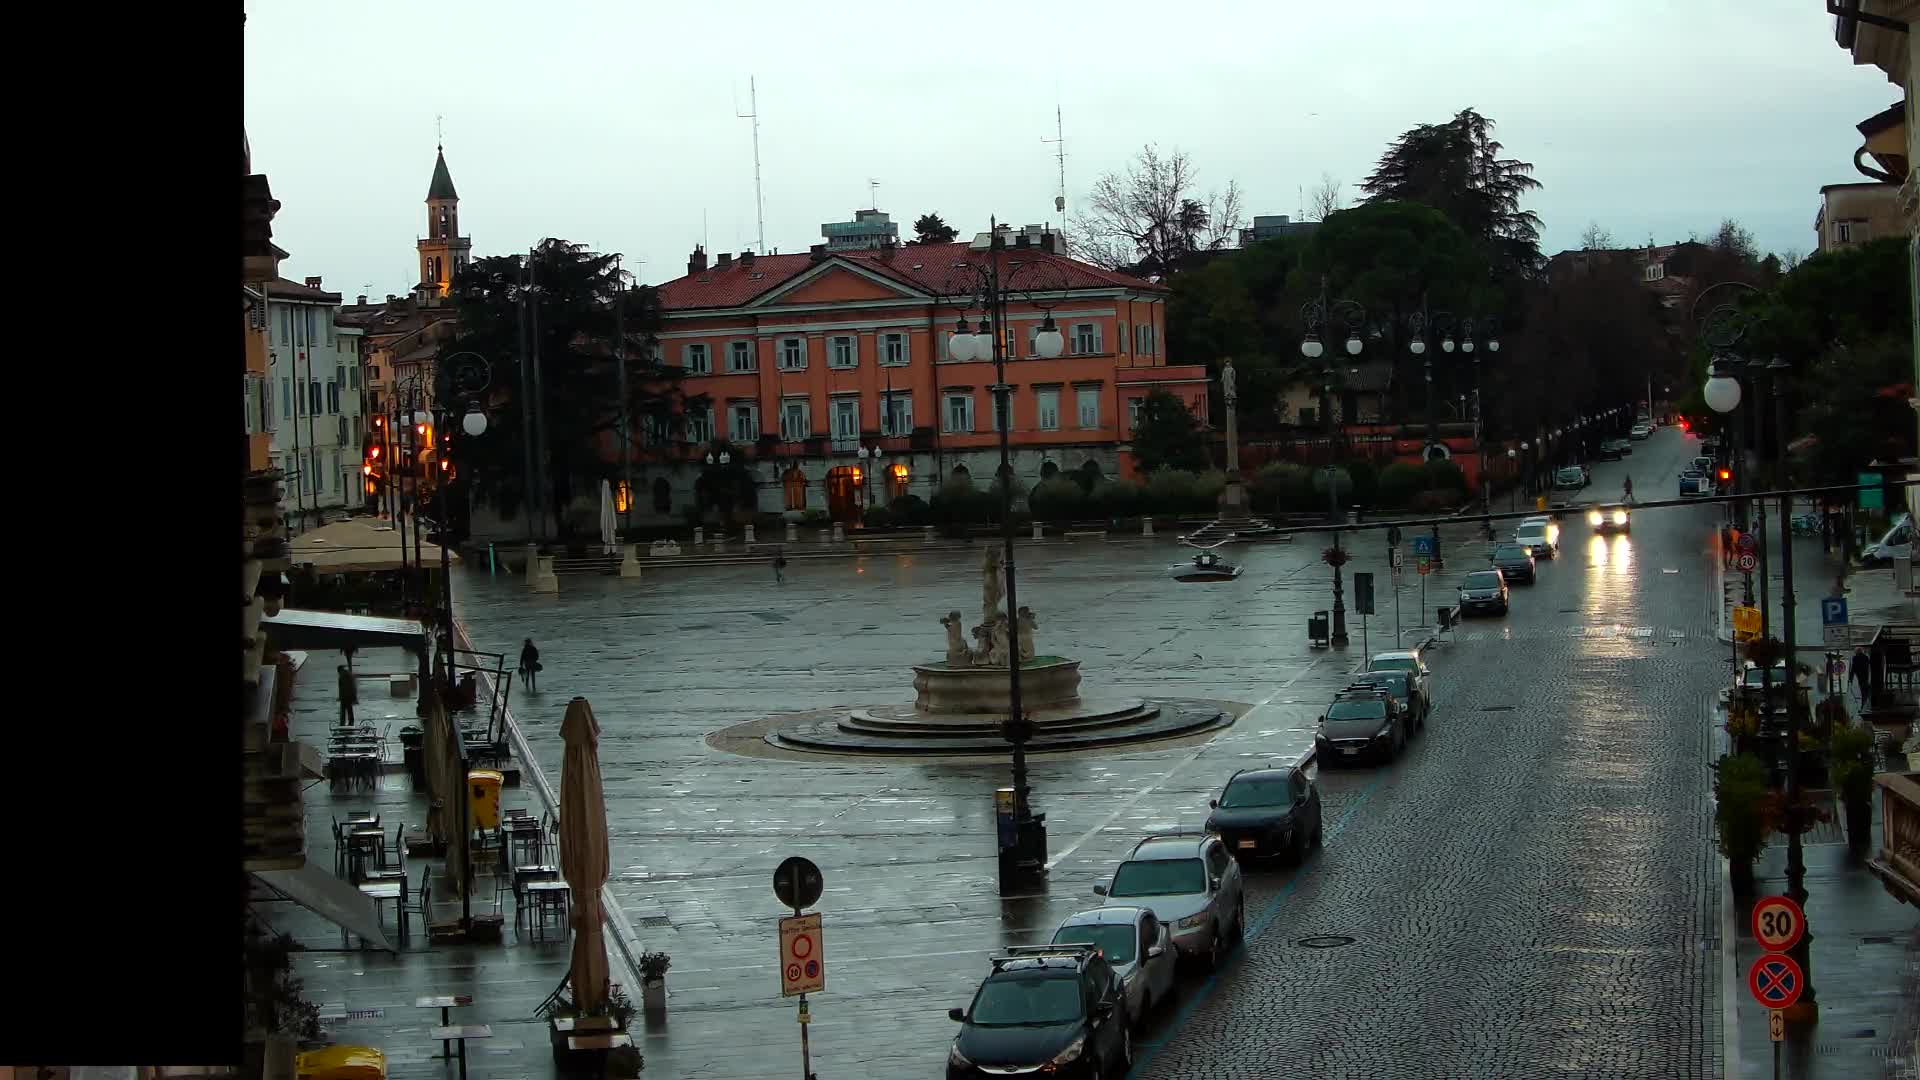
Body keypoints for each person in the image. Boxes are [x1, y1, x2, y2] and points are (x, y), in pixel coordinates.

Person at [1851, 645, 1873, 711]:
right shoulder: (1866, 657)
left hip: (1861, 677)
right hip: (1866, 677)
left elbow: (1853, 669)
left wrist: (1850, 678)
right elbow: (1869, 667)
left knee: (1863, 692)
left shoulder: (1855, 658)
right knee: (1866, 692)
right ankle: (1866, 706)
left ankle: (1863, 706)